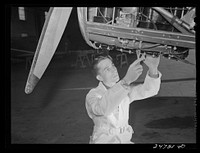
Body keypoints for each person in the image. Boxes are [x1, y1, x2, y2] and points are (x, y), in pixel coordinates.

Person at [85, 52, 162, 143]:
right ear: (99, 77)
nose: (114, 70)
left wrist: (153, 68)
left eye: (113, 65)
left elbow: (149, 90)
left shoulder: (125, 90)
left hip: (125, 140)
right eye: (107, 69)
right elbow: (103, 109)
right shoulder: (92, 95)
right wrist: (126, 80)